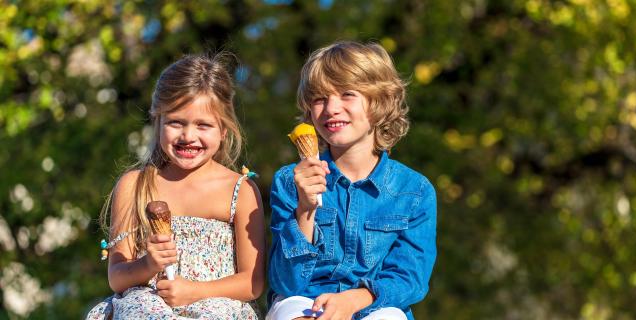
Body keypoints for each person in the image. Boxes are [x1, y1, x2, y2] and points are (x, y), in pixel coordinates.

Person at [86, 53, 265, 319]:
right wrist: (148, 263)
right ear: (157, 121)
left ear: (224, 129)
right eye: (176, 122)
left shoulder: (239, 190)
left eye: (203, 125)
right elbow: (117, 276)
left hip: (215, 303)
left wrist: (194, 291)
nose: (188, 136)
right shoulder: (135, 185)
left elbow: (253, 282)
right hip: (148, 305)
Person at [267, 41, 437, 320]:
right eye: (320, 98)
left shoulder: (415, 191)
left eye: (347, 94)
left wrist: (355, 300)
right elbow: (286, 283)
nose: (331, 108)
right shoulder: (290, 180)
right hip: (303, 300)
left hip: (376, 305)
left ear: (380, 102)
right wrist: (305, 210)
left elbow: (409, 279)